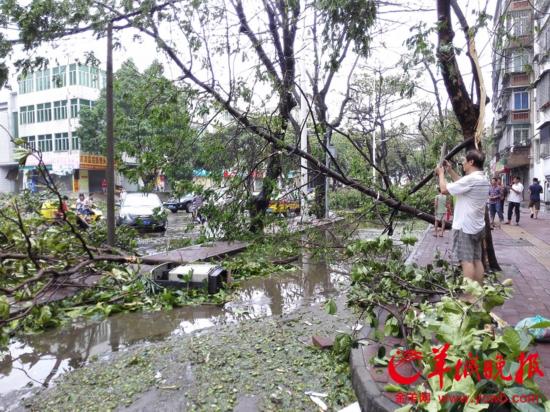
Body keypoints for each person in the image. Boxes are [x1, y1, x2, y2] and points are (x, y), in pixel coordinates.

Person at [435, 150, 490, 285]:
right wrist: (449, 171)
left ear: (471, 162)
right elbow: (461, 183)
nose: (463, 164)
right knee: (477, 260)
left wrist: (441, 174)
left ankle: (469, 296)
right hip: (477, 226)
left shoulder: (471, 179)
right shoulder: (482, 179)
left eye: (464, 161)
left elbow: (444, 190)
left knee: (466, 261)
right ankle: (477, 291)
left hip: (465, 227)